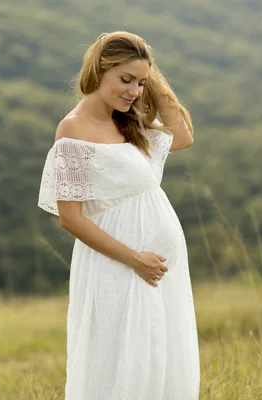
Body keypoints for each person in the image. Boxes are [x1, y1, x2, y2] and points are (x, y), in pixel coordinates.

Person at [37, 31, 200, 399]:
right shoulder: (73, 128)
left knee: (159, 356)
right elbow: (70, 218)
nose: (133, 91)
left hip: (157, 269)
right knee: (121, 361)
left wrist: (148, 74)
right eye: (125, 79)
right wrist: (135, 258)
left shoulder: (128, 122)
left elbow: (183, 134)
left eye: (139, 83)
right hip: (120, 264)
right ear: (99, 69)